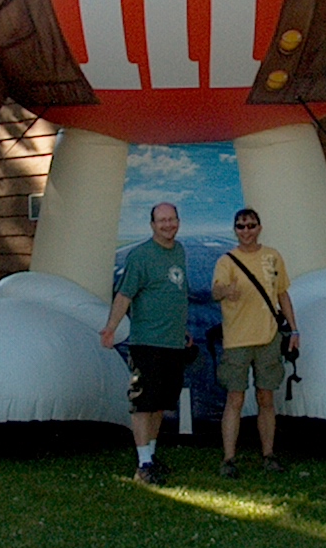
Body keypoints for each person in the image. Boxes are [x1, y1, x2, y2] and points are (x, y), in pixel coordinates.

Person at [100, 201, 191, 484]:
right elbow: (124, 295)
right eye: (162, 220)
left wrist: (183, 329)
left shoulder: (180, 251)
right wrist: (111, 329)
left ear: (178, 222)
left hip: (173, 344)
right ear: (152, 225)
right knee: (143, 404)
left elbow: (175, 295)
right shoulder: (140, 256)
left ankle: (150, 456)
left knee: (160, 404)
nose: (168, 225)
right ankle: (143, 465)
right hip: (147, 344)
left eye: (172, 219)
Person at [210, 208, 300, 477]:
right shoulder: (226, 261)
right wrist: (226, 291)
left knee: (266, 397)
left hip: (268, 338)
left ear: (259, 228)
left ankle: (268, 454)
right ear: (235, 230)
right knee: (235, 398)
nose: (246, 231)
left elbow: (282, 294)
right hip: (237, 340)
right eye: (241, 226)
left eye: (251, 226)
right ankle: (228, 459)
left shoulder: (272, 257)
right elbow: (216, 290)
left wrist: (294, 330)